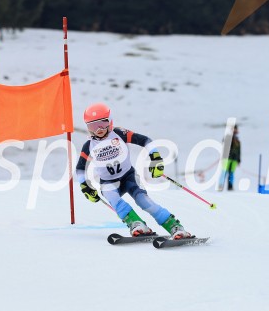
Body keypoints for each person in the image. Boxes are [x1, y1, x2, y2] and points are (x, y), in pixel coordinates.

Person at [75, 102, 192, 238]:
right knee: (113, 198)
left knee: (143, 200)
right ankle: (136, 223)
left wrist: (155, 158)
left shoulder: (119, 133)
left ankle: (174, 226)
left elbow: (146, 140)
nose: (98, 129)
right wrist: (85, 186)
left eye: (102, 124)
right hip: (108, 182)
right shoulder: (89, 145)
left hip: (128, 176)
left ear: (110, 121)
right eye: (93, 126)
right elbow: (80, 169)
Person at [221, 125, 241, 190]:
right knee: (224, 172)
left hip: (234, 159)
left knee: (231, 173)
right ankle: (221, 185)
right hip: (227, 158)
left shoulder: (238, 141)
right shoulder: (228, 137)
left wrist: (238, 159)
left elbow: (239, 151)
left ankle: (230, 186)